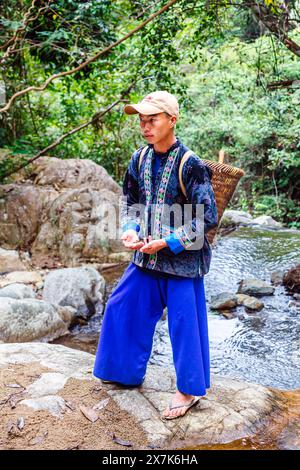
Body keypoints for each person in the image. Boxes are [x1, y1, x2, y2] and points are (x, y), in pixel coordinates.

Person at [93, 90, 218, 420]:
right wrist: (131, 228)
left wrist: (167, 241)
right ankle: (122, 373)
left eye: (153, 119)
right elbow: (130, 200)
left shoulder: (191, 165)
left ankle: (189, 391)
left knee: (184, 324)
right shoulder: (139, 159)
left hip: (182, 261)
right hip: (146, 257)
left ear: (172, 120)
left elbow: (207, 216)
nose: (145, 126)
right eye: (141, 120)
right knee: (122, 306)